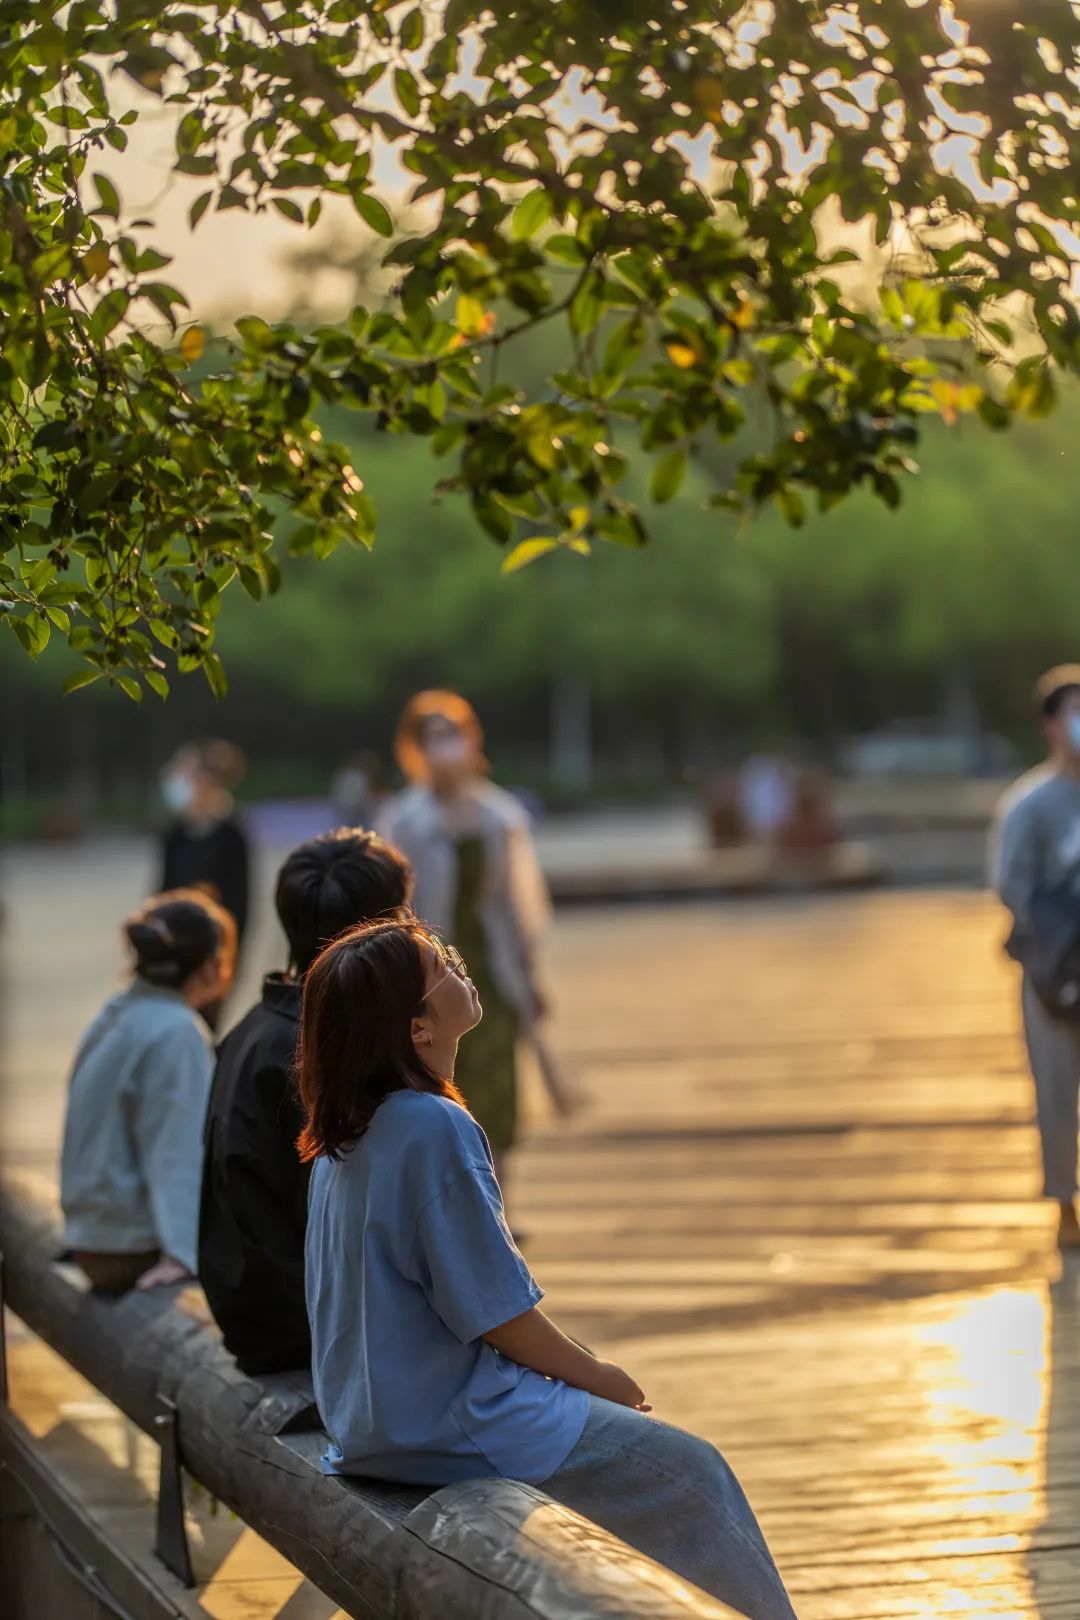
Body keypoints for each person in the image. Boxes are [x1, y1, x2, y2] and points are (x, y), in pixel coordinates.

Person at [299, 918, 797, 1620]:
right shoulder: (432, 1125)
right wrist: (600, 1377)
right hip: (448, 1425)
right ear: (417, 1028)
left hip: (370, 1425)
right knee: (691, 1475)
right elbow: (498, 1314)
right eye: (441, 966)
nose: (458, 964)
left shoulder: (343, 1135)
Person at [198, 828, 413, 1374]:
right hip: (310, 1328)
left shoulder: (258, 1027)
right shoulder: (324, 1050)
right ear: (379, 935)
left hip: (257, 1312)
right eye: (406, 917)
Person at [381, 691, 550, 1197]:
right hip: (429, 975)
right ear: (414, 746)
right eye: (434, 736)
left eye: (454, 733)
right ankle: (449, 1202)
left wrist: (530, 973)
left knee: (496, 1089)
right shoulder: (404, 819)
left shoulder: (500, 815)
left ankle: (500, 1203)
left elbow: (518, 901)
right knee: (441, 1089)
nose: (447, 745)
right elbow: (393, 904)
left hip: (490, 970)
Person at [60, 890, 236, 1294]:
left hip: (91, 1240)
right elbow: (177, 1152)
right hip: (132, 1250)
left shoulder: (113, 1013)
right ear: (212, 968)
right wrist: (183, 1252)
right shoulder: (177, 1030)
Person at [993, 666, 1080, 1251]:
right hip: (1057, 970)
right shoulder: (1031, 805)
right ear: (1051, 725)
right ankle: (1064, 1201)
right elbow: (1011, 885)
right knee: (1056, 1085)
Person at [159, 738, 251, 957]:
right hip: (175, 947)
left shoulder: (231, 835)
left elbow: (239, 906)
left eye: (185, 774)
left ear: (207, 780)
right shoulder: (175, 835)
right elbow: (163, 892)